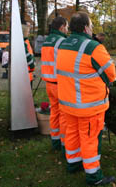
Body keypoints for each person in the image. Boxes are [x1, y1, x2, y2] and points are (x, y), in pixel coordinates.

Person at [56, 11, 116, 186]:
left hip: (68, 104)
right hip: (89, 106)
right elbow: (111, 75)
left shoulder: (63, 44)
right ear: (85, 28)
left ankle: (73, 164)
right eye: (91, 25)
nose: (92, 29)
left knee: (72, 134)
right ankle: (93, 175)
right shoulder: (93, 48)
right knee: (90, 139)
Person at [41, 16, 69, 151]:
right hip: (60, 84)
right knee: (64, 115)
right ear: (62, 26)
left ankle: (55, 141)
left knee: (54, 113)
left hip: (49, 84)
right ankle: (64, 145)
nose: (68, 30)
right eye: (67, 27)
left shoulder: (47, 41)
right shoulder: (62, 41)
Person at [22, 23, 35, 88]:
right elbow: (28, 57)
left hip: (27, 73)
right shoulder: (23, 43)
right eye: (28, 32)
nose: (29, 33)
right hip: (27, 73)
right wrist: (32, 66)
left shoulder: (25, 42)